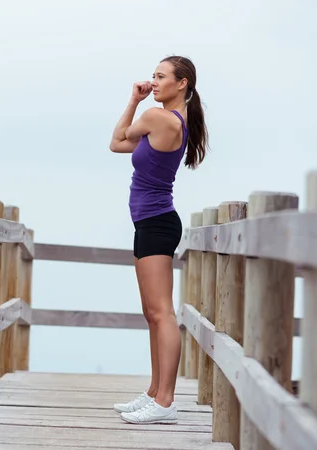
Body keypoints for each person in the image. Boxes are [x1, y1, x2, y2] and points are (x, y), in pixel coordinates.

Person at [108, 55, 208, 424]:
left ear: (181, 84)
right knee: (153, 314)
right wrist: (137, 101)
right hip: (150, 223)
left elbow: (117, 138)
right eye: (152, 76)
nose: (153, 82)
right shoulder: (168, 121)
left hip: (157, 223)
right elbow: (119, 146)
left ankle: (166, 402)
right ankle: (154, 392)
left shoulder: (158, 118)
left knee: (162, 312)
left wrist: (134, 100)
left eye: (160, 76)